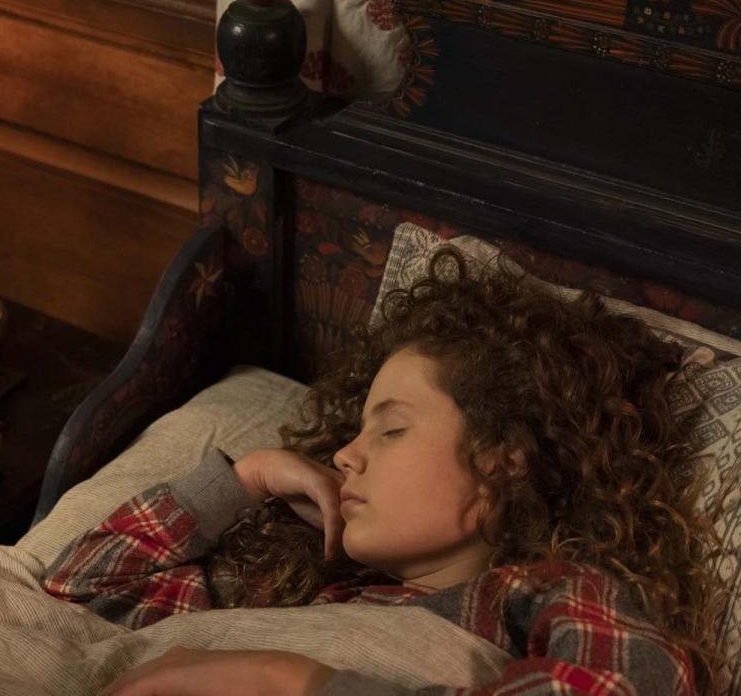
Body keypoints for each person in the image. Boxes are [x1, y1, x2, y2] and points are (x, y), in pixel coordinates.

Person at [40, 246, 736, 696]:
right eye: (357, 429)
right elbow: (83, 589)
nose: (345, 454)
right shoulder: (307, 590)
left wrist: (290, 680)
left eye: (392, 428)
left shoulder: (545, 595)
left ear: (503, 461)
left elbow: (628, 683)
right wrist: (241, 482)